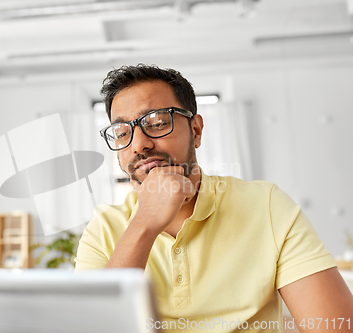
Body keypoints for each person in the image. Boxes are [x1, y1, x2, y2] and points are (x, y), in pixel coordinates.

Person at [74, 64, 353, 332]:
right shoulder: (103, 229)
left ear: (195, 130)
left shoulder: (267, 206)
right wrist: (144, 223)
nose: (139, 144)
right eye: (122, 133)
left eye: (157, 123)